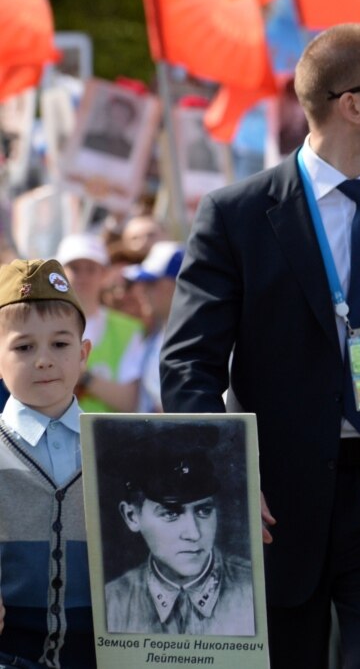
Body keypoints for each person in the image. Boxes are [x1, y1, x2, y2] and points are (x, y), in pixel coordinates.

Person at [160, 23, 360, 669]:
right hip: (276, 507)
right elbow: (188, 363)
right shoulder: (239, 213)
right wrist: (225, 473)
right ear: (351, 102)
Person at [0, 259, 94, 668]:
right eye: (23, 347)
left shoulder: (120, 449)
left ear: (83, 353)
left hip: (101, 654)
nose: (43, 360)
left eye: (60, 344)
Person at [105, 435, 254, 636]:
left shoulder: (254, 589)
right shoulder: (111, 602)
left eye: (204, 511)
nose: (193, 534)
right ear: (132, 516)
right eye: (171, 514)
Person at [56, 233, 144, 414]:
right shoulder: (43, 325)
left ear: (104, 274)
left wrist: (83, 376)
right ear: (60, 274)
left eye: (91, 268)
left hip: (107, 438)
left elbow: (129, 402)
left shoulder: (128, 328)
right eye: (75, 268)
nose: (83, 276)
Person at [124, 241, 183, 413]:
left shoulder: (206, 340)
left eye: (152, 283)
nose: (141, 290)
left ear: (178, 285)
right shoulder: (154, 335)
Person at [83, 94, 137, 159]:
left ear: (128, 121)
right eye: (114, 115)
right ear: (107, 115)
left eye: (122, 117)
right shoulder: (89, 139)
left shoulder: (130, 150)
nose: (115, 121)